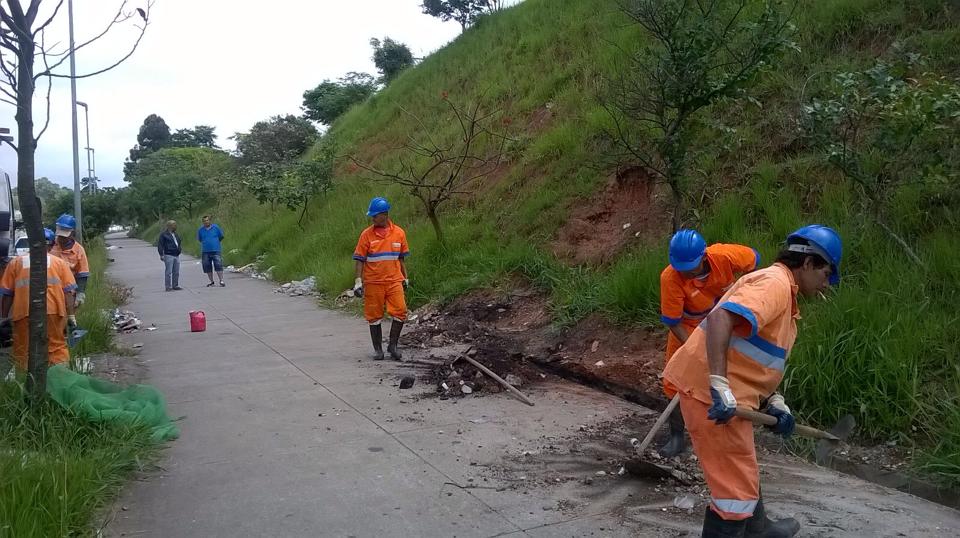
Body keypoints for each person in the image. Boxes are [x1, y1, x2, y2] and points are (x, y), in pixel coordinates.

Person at [662, 225, 842, 538]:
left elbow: (755, 359)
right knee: (734, 497)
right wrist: (719, 384)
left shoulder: (784, 295)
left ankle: (758, 530)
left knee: (742, 468)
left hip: (730, 393)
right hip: (709, 394)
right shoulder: (773, 284)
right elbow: (720, 319)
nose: (826, 284)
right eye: (826, 274)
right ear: (809, 263)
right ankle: (748, 528)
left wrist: (774, 403)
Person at [658, 230, 760, 457]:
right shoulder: (670, 278)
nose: (683, 272)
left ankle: (727, 434)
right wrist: (693, 350)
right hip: (688, 327)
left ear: (703, 257)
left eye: (689, 267)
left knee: (731, 375)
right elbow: (673, 321)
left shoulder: (724, 256)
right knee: (674, 380)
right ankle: (676, 436)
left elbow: (754, 260)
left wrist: (748, 291)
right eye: (679, 267)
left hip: (725, 321)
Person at [0, 228, 78, 371]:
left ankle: (27, 383)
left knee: (24, 349)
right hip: (54, 312)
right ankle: (60, 379)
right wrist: (71, 315)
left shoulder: (15, 263)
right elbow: (69, 292)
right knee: (56, 347)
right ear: (50, 245)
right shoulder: (59, 263)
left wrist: (4, 318)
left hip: (24, 313)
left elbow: (7, 294)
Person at [352, 197, 410, 361]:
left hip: (394, 281)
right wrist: (358, 281)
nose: (372, 218)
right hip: (373, 282)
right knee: (374, 316)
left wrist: (406, 278)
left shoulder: (399, 233)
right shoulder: (366, 235)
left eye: (374, 215)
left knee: (400, 311)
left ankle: (393, 346)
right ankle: (378, 350)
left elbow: (401, 258)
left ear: (384, 215)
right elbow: (359, 259)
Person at [49, 214, 89, 308]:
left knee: (69, 318)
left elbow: (82, 274)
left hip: (69, 292)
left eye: (64, 235)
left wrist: (80, 293)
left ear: (72, 233)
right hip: (50, 291)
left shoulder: (78, 250)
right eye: (60, 235)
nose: (62, 238)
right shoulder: (50, 246)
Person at [197, 215, 225, 287]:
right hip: (205, 251)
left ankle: (221, 280)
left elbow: (221, 236)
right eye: (204, 221)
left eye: (207, 220)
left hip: (215, 250)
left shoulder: (216, 227)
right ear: (203, 222)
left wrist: (215, 242)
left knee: (218, 265)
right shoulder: (200, 230)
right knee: (207, 266)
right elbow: (200, 239)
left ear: (210, 221)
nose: (206, 222)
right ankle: (211, 281)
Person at [157, 220, 183, 291]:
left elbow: (179, 242)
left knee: (176, 271)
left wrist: (179, 249)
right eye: (174, 225)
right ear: (169, 226)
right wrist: (161, 254)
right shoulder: (164, 235)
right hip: (168, 254)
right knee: (168, 271)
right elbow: (160, 245)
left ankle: (175, 285)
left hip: (176, 254)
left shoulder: (175, 234)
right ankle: (168, 286)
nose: (175, 226)